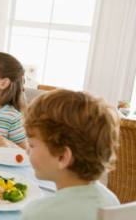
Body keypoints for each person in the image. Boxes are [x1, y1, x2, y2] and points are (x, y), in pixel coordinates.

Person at [21, 89, 120, 220]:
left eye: (32, 145)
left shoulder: (40, 213)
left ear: (62, 157)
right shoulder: (111, 201)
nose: (28, 150)